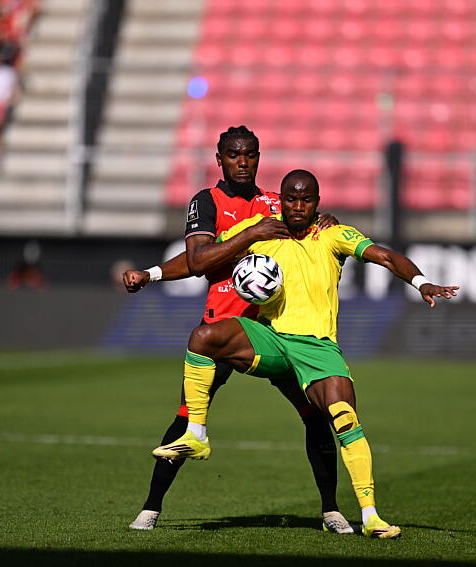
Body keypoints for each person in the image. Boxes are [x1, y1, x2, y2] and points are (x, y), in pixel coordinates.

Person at [153, 169, 459, 538]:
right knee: (203, 336)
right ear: (280, 199)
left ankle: (370, 515)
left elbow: (387, 257)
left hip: (316, 348)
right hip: (270, 337)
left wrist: (421, 282)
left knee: (344, 418)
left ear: (318, 201)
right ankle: (196, 434)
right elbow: (198, 260)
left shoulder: (333, 234)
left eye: (307, 199)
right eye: (291, 199)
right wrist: (151, 274)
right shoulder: (263, 230)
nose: (298, 206)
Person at [122, 127, 351, 534]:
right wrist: (153, 274)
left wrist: (325, 221)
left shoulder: (274, 204)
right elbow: (198, 260)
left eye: (249, 155)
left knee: (315, 417)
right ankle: (151, 508)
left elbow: (308, 230)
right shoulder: (207, 201)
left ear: (259, 158)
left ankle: (331, 510)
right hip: (225, 334)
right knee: (187, 419)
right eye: (234, 155)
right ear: (220, 159)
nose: (242, 162)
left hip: (274, 332)